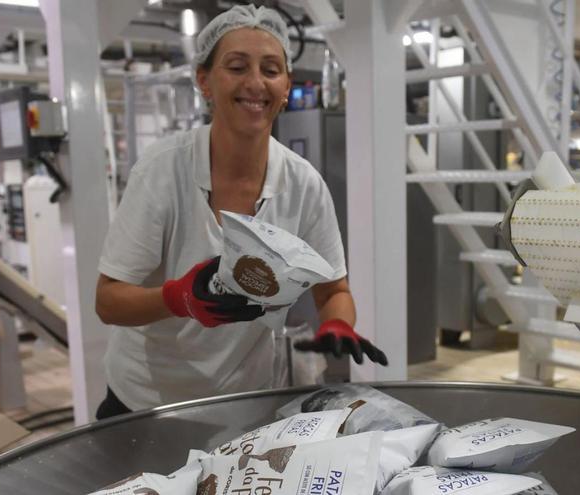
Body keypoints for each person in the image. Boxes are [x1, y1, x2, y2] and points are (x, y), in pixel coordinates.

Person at [94, 4, 386, 420]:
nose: (255, 83)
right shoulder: (163, 170)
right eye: (236, 66)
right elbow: (108, 301)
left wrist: (337, 324)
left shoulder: (303, 184)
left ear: (286, 87)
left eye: (271, 69)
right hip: (147, 402)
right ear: (204, 82)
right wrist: (177, 298)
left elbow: (333, 291)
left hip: (244, 403)